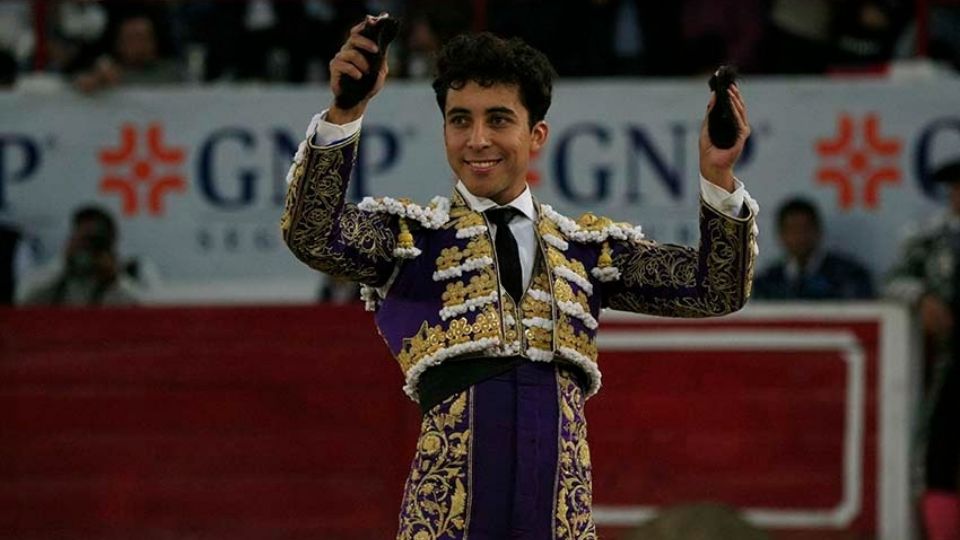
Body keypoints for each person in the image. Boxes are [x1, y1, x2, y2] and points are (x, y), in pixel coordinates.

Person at [281, 17, 758, 538]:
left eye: (499, 119)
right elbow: (311, 233)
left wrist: (718, 179)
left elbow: (716, 289)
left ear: (536, 135)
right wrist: (345, 114)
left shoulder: (585, 252)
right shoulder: (411, 241)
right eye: (460, 120)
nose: (477, 139)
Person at [886, 159, 960, 540]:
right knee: (939, 455)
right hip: (950, 364)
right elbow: (893, 280)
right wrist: (923, 298)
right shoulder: (930, 239)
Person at [754, 197, 875, 300]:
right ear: (780, 235)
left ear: (818, 231)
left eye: (805, 228)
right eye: (792, 230)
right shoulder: (767, 282)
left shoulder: (849, 276)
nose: (799, 236)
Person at [21, 205, 138, 306]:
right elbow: (23, 298)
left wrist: (116, 278)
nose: (87, 247)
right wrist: (64, 262)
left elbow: (150, 310)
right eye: (82, 238)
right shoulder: (48, 285)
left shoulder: (128, 282)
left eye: (94, 240)